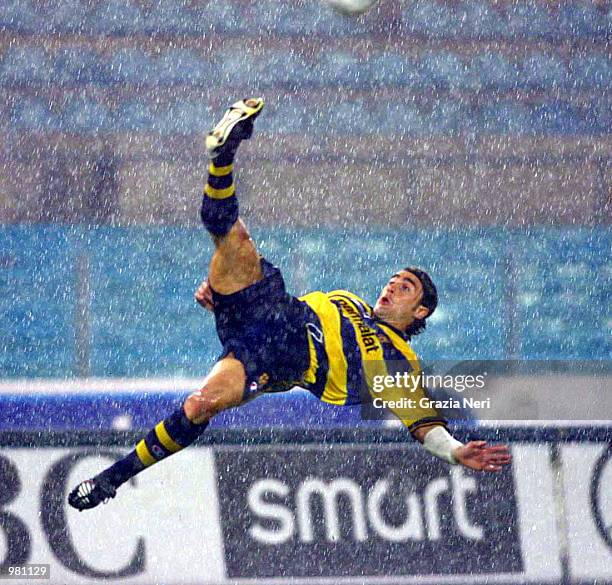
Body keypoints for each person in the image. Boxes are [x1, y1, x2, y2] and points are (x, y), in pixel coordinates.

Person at [68, 98, 511, 511]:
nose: (392, 287)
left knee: (199, 405)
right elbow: (295, 304)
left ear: (420, 313)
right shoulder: (349, 301)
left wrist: (454, 451)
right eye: (393, 280)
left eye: (406, 287)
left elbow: (423, 424)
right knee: (232, 235)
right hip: (272, 308)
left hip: (276, 359)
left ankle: (111, 478)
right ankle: (223, 155)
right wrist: (222, 299)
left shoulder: (399, 361)